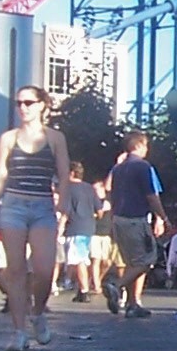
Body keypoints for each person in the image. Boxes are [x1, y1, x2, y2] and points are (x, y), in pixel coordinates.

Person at [0, 84, 71, 351]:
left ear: (42, 105)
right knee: (16, 270)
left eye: (29, 103)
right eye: (19, 103)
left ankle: (38, 312)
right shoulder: (8, 138)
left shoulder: (55, 138)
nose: (23, 108)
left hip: (43, 206)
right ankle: (19, 332)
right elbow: (0, 176)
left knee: (44, 270)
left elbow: (64, 175)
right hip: (13, 205)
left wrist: (63, 206)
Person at [105, 131, 165, 318]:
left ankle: (132, 304)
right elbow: (152, 195)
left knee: (132, 261)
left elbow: (108, 191)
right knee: (147, 260)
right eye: (146, 146)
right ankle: (117, 286)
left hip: (119, 218)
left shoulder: (118, 168)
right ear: (139, 145)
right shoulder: (143, 167)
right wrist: (162, 217)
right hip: (136, 218)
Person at [59, 162, 101, 304]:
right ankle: (80, 289)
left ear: (71, 173)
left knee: (79, 260)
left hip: (75, 228)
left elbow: (65, 211)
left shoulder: (68, 189)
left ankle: (84, 290)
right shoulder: (90, 188)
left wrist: (59, 229)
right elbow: (99, 210)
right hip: (89, 228)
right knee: (82, 258)